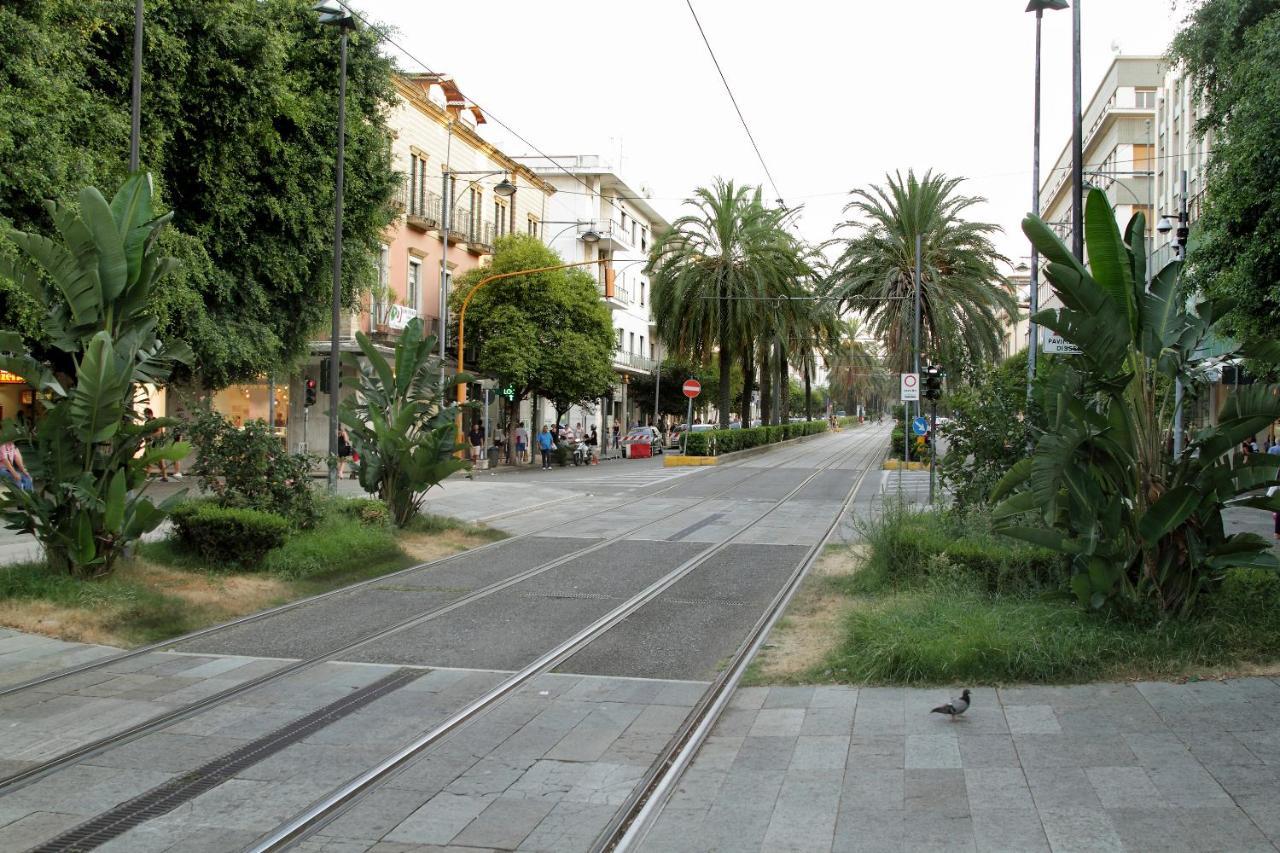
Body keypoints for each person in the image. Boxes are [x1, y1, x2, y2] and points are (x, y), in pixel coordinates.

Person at [143, 407, 170, 482]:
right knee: (148, 459)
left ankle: (164, 476)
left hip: (157, 442)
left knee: (159, 460)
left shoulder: (157, 422)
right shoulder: (147, 422)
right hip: (149, 443)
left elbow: (158, 432)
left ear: (150, 414)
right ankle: (149, 475)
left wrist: (150, 435)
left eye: (146, 414)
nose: (145, 416)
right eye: (144, 414)